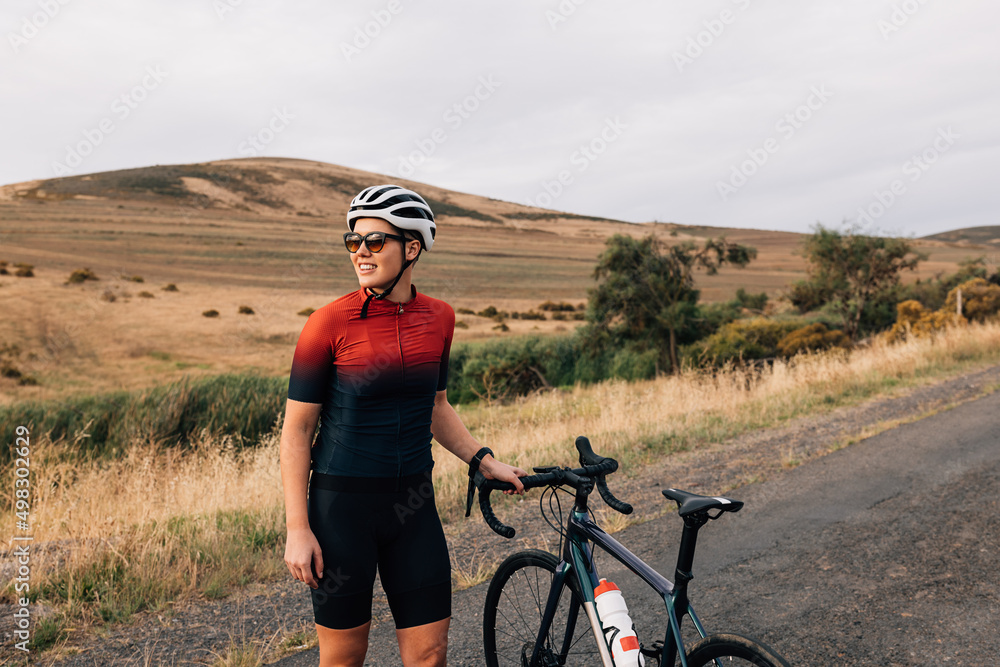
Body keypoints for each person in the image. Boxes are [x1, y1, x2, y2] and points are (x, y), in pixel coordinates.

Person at [279, 184, 527, 667]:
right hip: (341, 510)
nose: (361, 252)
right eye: (354, 241)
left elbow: (436, 406)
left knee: (430, 654)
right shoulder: (326, 324)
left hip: (413, 506)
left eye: (375, 241)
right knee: (345, 658)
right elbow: (296, 432)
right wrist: (297, 528)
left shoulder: (439, 318)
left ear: (412, 247)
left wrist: (483, 459)